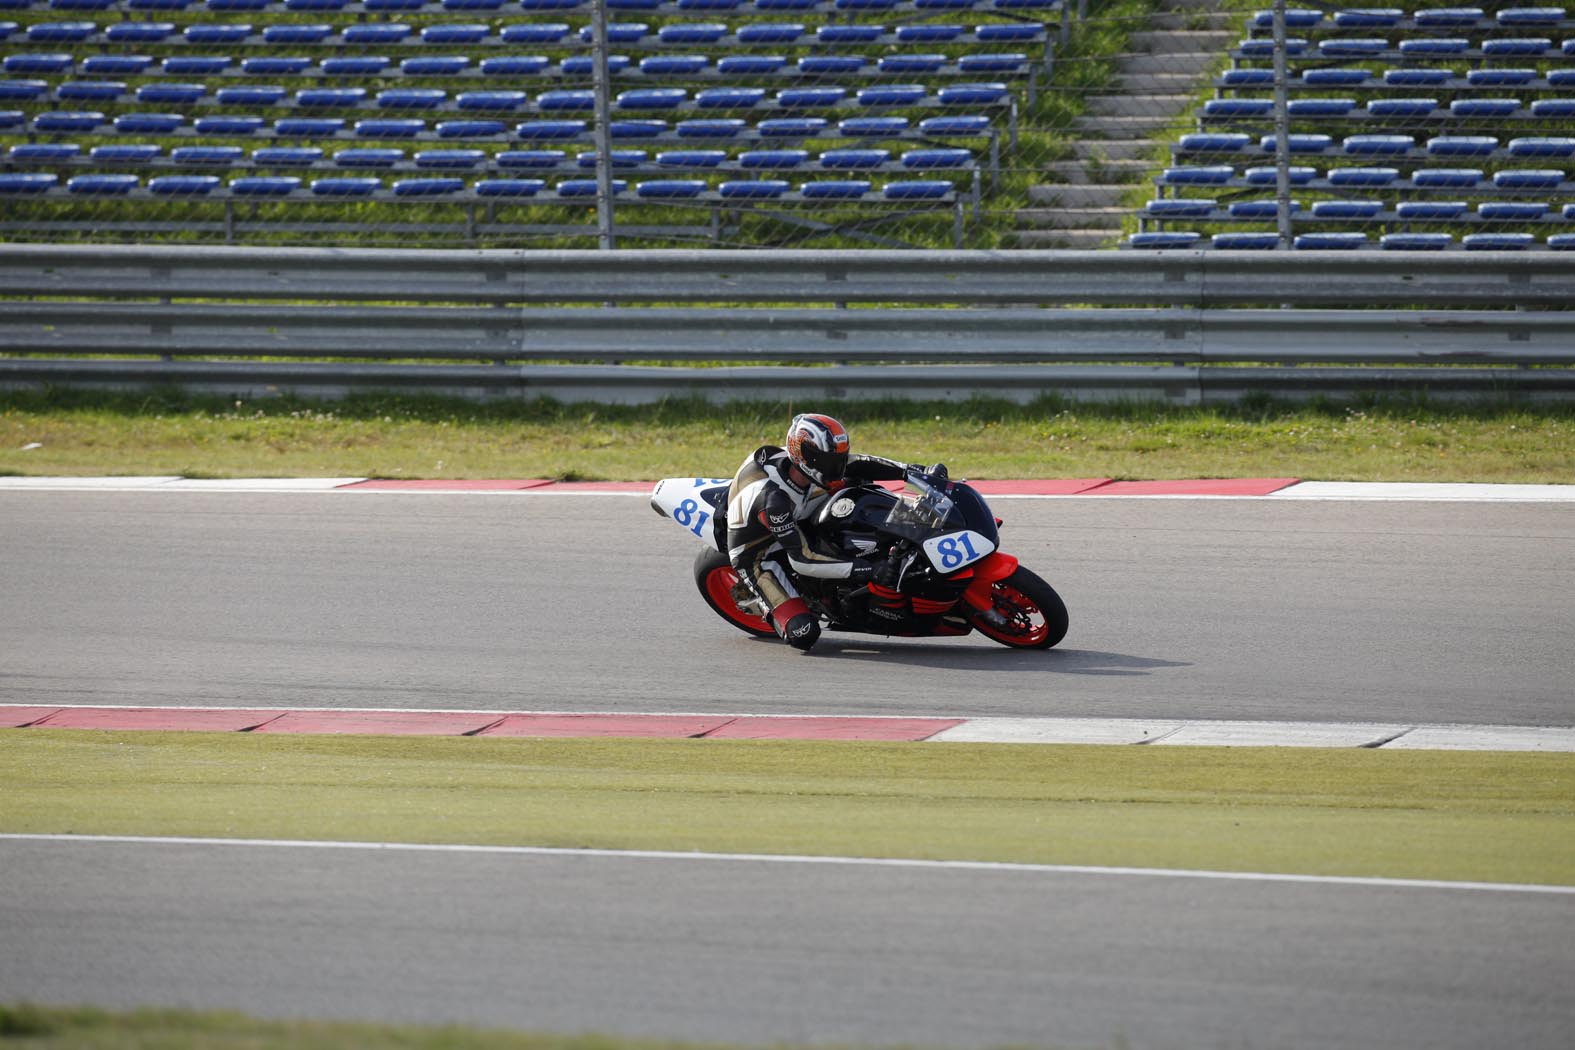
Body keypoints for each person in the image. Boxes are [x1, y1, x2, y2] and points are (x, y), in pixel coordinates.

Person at [724, 412, 913, 651]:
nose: (838, 468)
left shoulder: (809, 467)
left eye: (838, 459)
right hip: (760, 553)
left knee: (858, 495)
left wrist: (913, 471)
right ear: (806, 459)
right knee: (804, 633)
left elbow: (856, 464)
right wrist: (871, 570)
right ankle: (766, 604)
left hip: (798, 517)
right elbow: (803, 559)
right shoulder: (774, 501)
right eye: (830, 462)